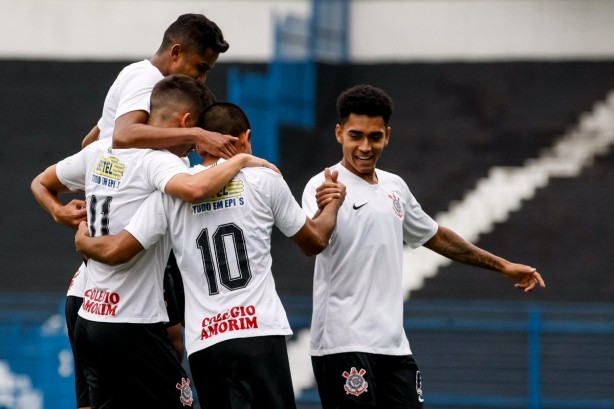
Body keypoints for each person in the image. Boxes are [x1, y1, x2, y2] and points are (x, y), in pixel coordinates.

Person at [73, 102, 346, 409]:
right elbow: (314, 241)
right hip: (257, 333)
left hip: (205, 343)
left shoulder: (171, 191)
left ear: (201, 143)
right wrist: (332, 204)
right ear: (245, 137)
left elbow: (117, 250)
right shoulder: (263, 178)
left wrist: (83, 241)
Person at [31, 76, 276, 408]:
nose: (193, 148)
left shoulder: (101, 150)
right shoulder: (161, 164)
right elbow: (194, 189)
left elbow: (40, 182)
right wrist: (242, 160)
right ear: (187, 123)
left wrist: (59, 213)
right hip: (132, 323)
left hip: (88, 310)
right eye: (195, 137)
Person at [301, 84, 546, 409]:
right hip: (341, 342)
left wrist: (501, 266)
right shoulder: (323, 185)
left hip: (393, 346)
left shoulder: (395, 188)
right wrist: (328, 207)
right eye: (355, 135)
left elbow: (437, 236)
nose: (364, 146)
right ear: (338, 133)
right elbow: (312, 242)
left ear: (387, 135)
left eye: (374, 137)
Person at [38, 13, 234, 409]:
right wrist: (217, 146)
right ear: (176, 53)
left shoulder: (127, 81)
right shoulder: (150, 97)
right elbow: (126, 137)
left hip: (90, 299)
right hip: (127, 312)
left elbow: (94, 140)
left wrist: (74, 200)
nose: (202, 80)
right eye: (200, 69)